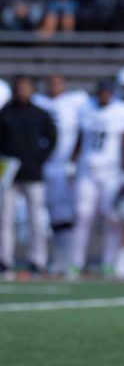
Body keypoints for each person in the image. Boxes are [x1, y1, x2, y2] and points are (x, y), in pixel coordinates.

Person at [69, 79, 124, 278]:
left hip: (111, 172)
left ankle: (109, 262)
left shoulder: (122, 112)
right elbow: (80, 138)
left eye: (108, 92)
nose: (104, 96)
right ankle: (76, 262)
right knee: (83, 214)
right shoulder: (86, 109)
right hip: (87, 169)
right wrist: (71, 163)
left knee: (111, 217)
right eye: (102, 92)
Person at [0, 75, 56, 278]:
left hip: (33, 174)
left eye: (26, 87)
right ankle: (5, 261)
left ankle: (37, 260)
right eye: (19, 87)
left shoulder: (40, 114)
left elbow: (51, 139)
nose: (22, 91)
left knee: (36, 220)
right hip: (9, 174)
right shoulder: (6, 112)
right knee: (5, 220)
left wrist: (38, 160)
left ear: (32, 90)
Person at [33, 74, 90, 275]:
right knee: (39, 217)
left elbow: (83, 133)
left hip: (65, 166)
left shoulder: (77, 102)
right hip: (41, 165)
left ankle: (64, 259)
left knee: (64, 216)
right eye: (51, 82)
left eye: (58, 83)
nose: (54, 86)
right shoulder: (38, 102)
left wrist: (74, 161)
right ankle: (40, 260)